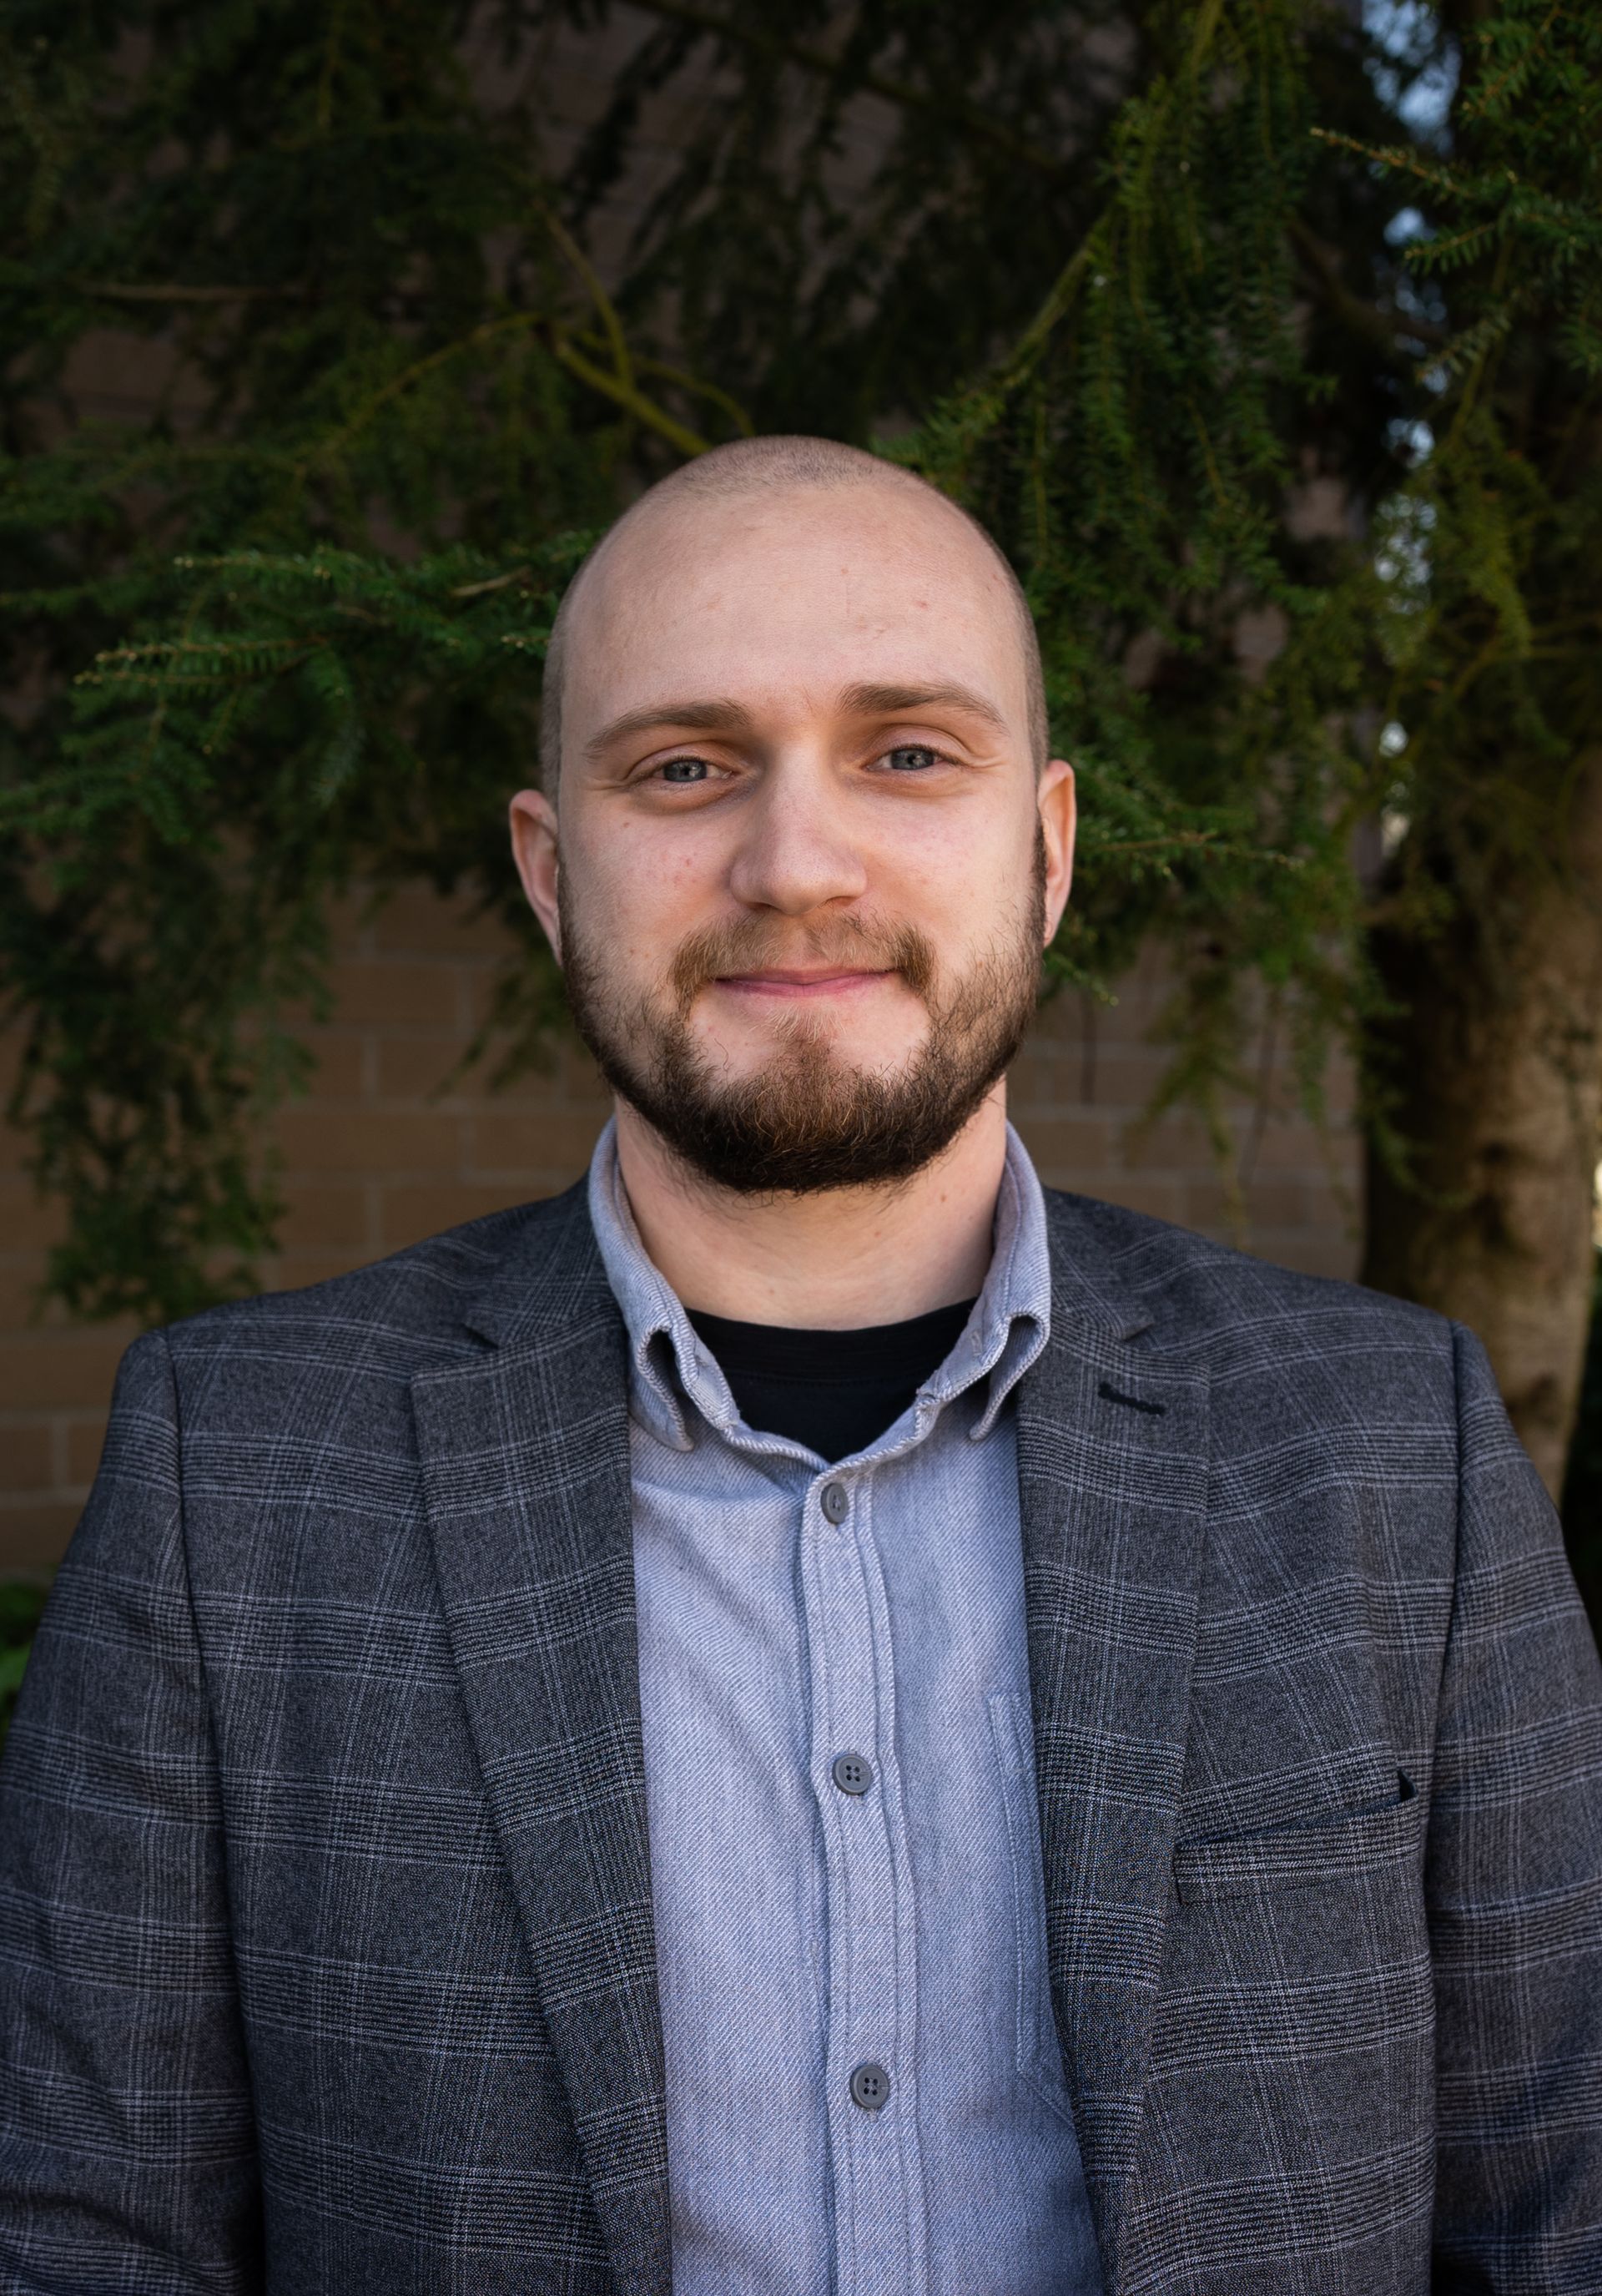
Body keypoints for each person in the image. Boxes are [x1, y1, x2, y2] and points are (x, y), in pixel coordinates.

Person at [1, 436, 1598, 2296]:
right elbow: (78, 2234)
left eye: (908, 751)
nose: (795, 862)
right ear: (547, 869)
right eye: (684, 767)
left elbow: (1562, 2204)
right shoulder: (235, 1472)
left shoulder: (1396, 1447)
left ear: (1051, 849)